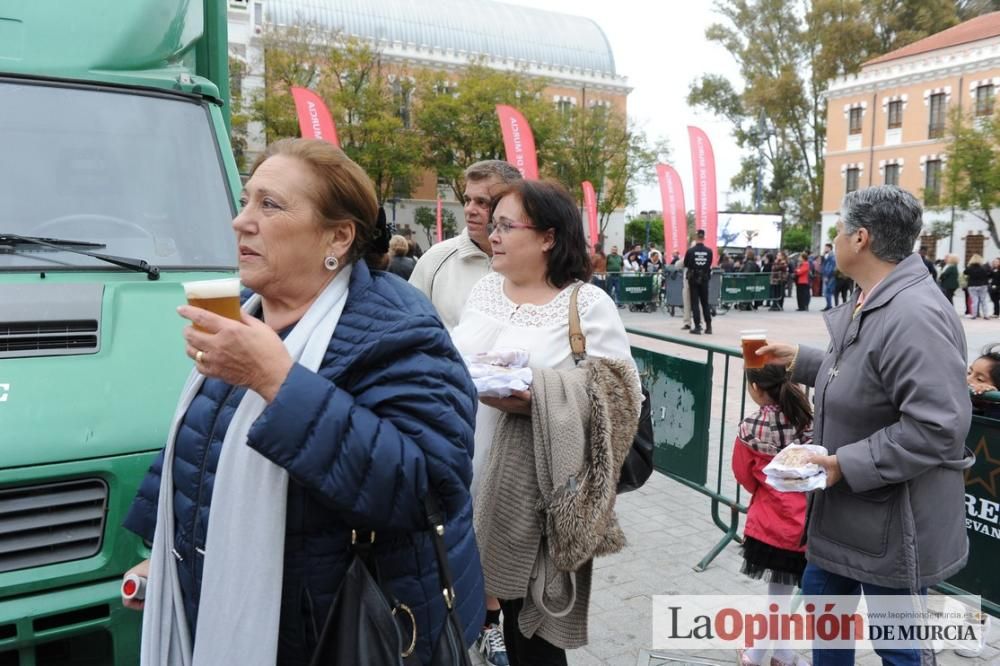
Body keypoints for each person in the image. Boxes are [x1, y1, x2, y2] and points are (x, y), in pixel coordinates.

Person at [121, 139, 485, 665]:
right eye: (246, 201)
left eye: (269, 205)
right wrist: (167, 554)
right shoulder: (247, 313)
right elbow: (207, 437)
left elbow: (426, 486)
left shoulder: (399, 327)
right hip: (239, 605)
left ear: (337, 236)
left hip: (342, 631)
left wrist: (277, 381)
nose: (241, 222)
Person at [758, 186, 973, 665]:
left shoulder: (913, 312)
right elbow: (872, 377)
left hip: (893, 527)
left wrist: (841, 464)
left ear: (861, 238)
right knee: (827, 628)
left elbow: (938, 426)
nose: (832, 240)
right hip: (846, 519)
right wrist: (808, 362)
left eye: (837, 229)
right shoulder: (878, 297)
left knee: (897, 648)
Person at [451, 180, 641, 666]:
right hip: (461, 485)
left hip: (534, 501)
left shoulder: (587, 304)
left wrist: (540, 397)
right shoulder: (486, 289)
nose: (492, 235)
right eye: (493, 226)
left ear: (548, 238)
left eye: (506, 226)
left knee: (530, 640)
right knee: (470, 620)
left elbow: (621, 400)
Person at [731, 364, 813, 666]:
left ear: (754, 388)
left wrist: (765, 490)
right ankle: (782, 655)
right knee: (784, 594)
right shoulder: (808, 420)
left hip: (770, 523)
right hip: (807, 522)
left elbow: (743, 473)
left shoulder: (750, 426)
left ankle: (755, 655)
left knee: (777, 596)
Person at [410, 159, 522, 330]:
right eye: (467, 200)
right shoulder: (436, 259)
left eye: (482, 202)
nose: (470, 209)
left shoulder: (533, 263)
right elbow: (408, 324)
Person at [684, 229, 713, 335]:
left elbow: (686, 263)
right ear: (703, 237)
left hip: (693, 278)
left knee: (695, 303)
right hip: (705, 278)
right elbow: (709, 263)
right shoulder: (709, 251)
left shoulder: (691, 251)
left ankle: (697, 326)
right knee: (705, 303)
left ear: (696, 238)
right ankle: (709, 326)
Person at [964, 254, 990, 319]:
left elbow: (965, 272)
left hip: (972, 285)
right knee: (983, 300)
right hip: (983, 285)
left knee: (974, 301)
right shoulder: (984, 268)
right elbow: (989, 274)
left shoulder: (970, 268)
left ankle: (974, 315)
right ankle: (986, 315)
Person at [821, 243, 836, 311]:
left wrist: (827, 275)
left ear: (829, 248)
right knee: (826, 291)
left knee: (828, 291)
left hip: (830, 276)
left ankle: (829, 306)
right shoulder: (828, 255)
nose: (824, 249)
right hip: (827, 275)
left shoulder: (832, 256)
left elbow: (831, 267)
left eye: (825, 248)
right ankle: (828, 305)